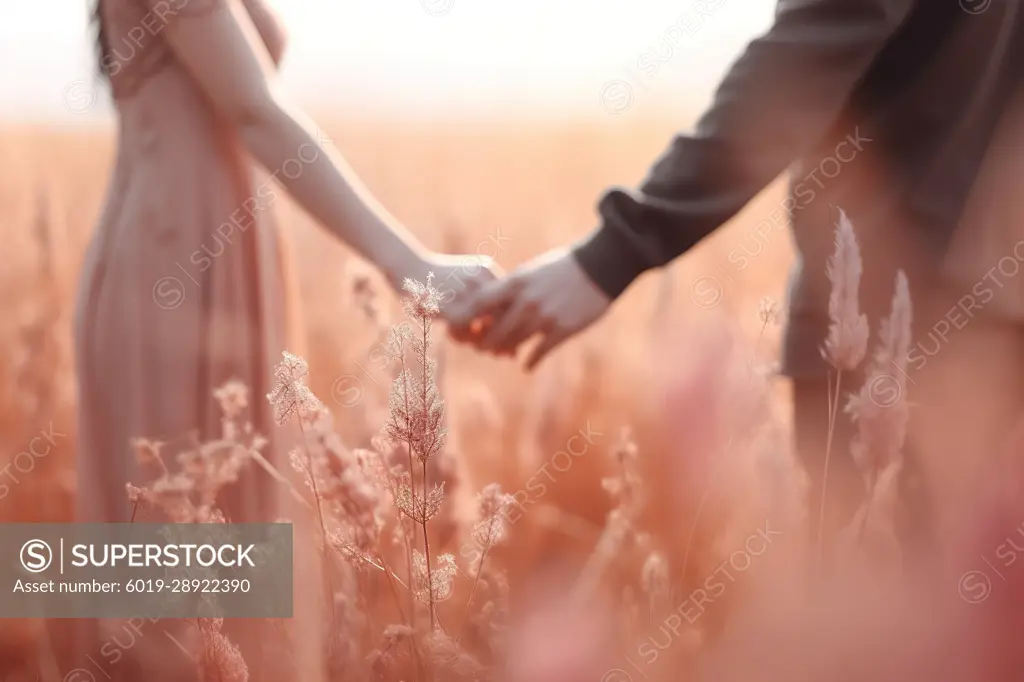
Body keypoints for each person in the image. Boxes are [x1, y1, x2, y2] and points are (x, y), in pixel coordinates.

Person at [450, 0, 1024, 559]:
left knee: (879, 631)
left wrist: (614, 252)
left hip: (894, 323)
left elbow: (804, 58)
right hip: (991, 309)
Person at [71, 0, 494, 678]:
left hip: (211, 259)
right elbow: (253, 109)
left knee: (225, 571)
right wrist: (408, 263)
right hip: (172, 270)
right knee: (166, 587)